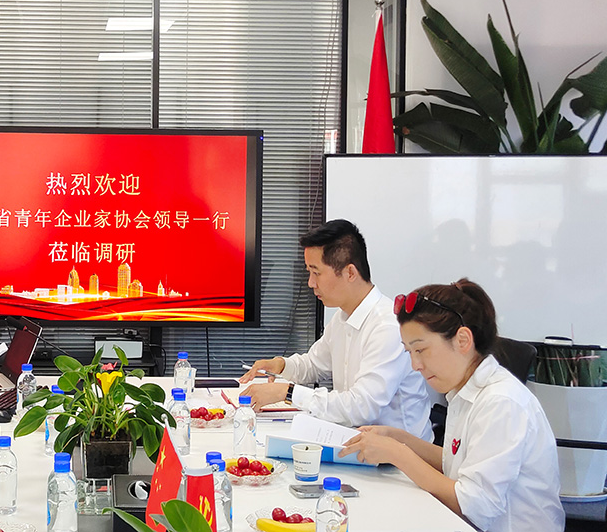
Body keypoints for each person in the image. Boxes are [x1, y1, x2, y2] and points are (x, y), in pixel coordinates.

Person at [339, 279, 564, 532]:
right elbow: (455, 462)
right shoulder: (464, 391)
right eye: (409, 352)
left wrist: (397, 454)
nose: (415, 365)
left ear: (463, 340)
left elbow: (475, 506)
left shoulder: (501, 402)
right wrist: (398, 438)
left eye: (420, 350)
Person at [240, 219, 432, 439]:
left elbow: (362, 407)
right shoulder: (343, 317)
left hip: (400, 455)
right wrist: (280, 365)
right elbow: (313, 365)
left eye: (316, 273)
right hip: (358, 441)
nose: (311, 283)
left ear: (350, 273)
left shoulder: (387, 326)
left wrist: (288, 392)